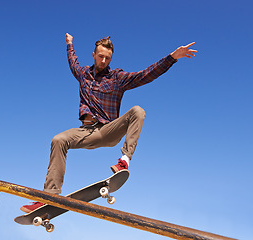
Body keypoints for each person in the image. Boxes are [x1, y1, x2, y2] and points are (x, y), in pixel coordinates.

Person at [20, 33, 197, 213]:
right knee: (58, 140)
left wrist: (172, 57)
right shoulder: (83, 75)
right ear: (94, 55)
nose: (104, 60)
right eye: (101, 56)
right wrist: (69, 43)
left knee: (137, 111)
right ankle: (49, 196)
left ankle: (124, 161)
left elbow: (146, 74)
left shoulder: (116, 78)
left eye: (108, 58)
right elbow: (72, 61)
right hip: (86, 131)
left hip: (108, 130)